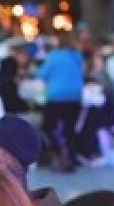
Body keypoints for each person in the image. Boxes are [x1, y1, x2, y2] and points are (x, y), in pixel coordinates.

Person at [35, 33, 84, 172]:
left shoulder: (54, 56)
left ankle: (58, 151)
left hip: (56, 97)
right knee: (70, 130)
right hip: (75, 97)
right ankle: (71, 158)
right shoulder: (77, 56)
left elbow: (41, 74)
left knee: (48, 127)